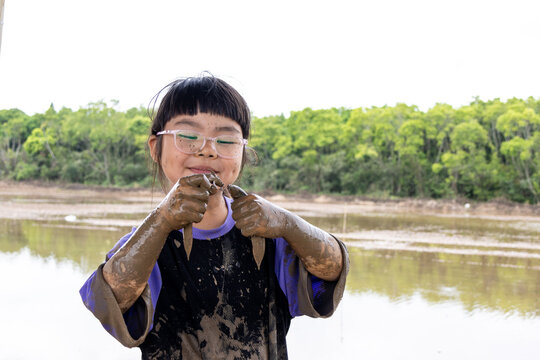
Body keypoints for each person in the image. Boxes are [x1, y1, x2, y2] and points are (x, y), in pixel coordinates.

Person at [79, 75, 349, 360]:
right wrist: (161, 221)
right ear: (155, 148)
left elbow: (332, 270)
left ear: (243, 152)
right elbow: (110, 302)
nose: (207, 149)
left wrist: (287, 223)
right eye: (187, 136)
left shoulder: (272, 235)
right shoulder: (142, 247)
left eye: (226, 139)